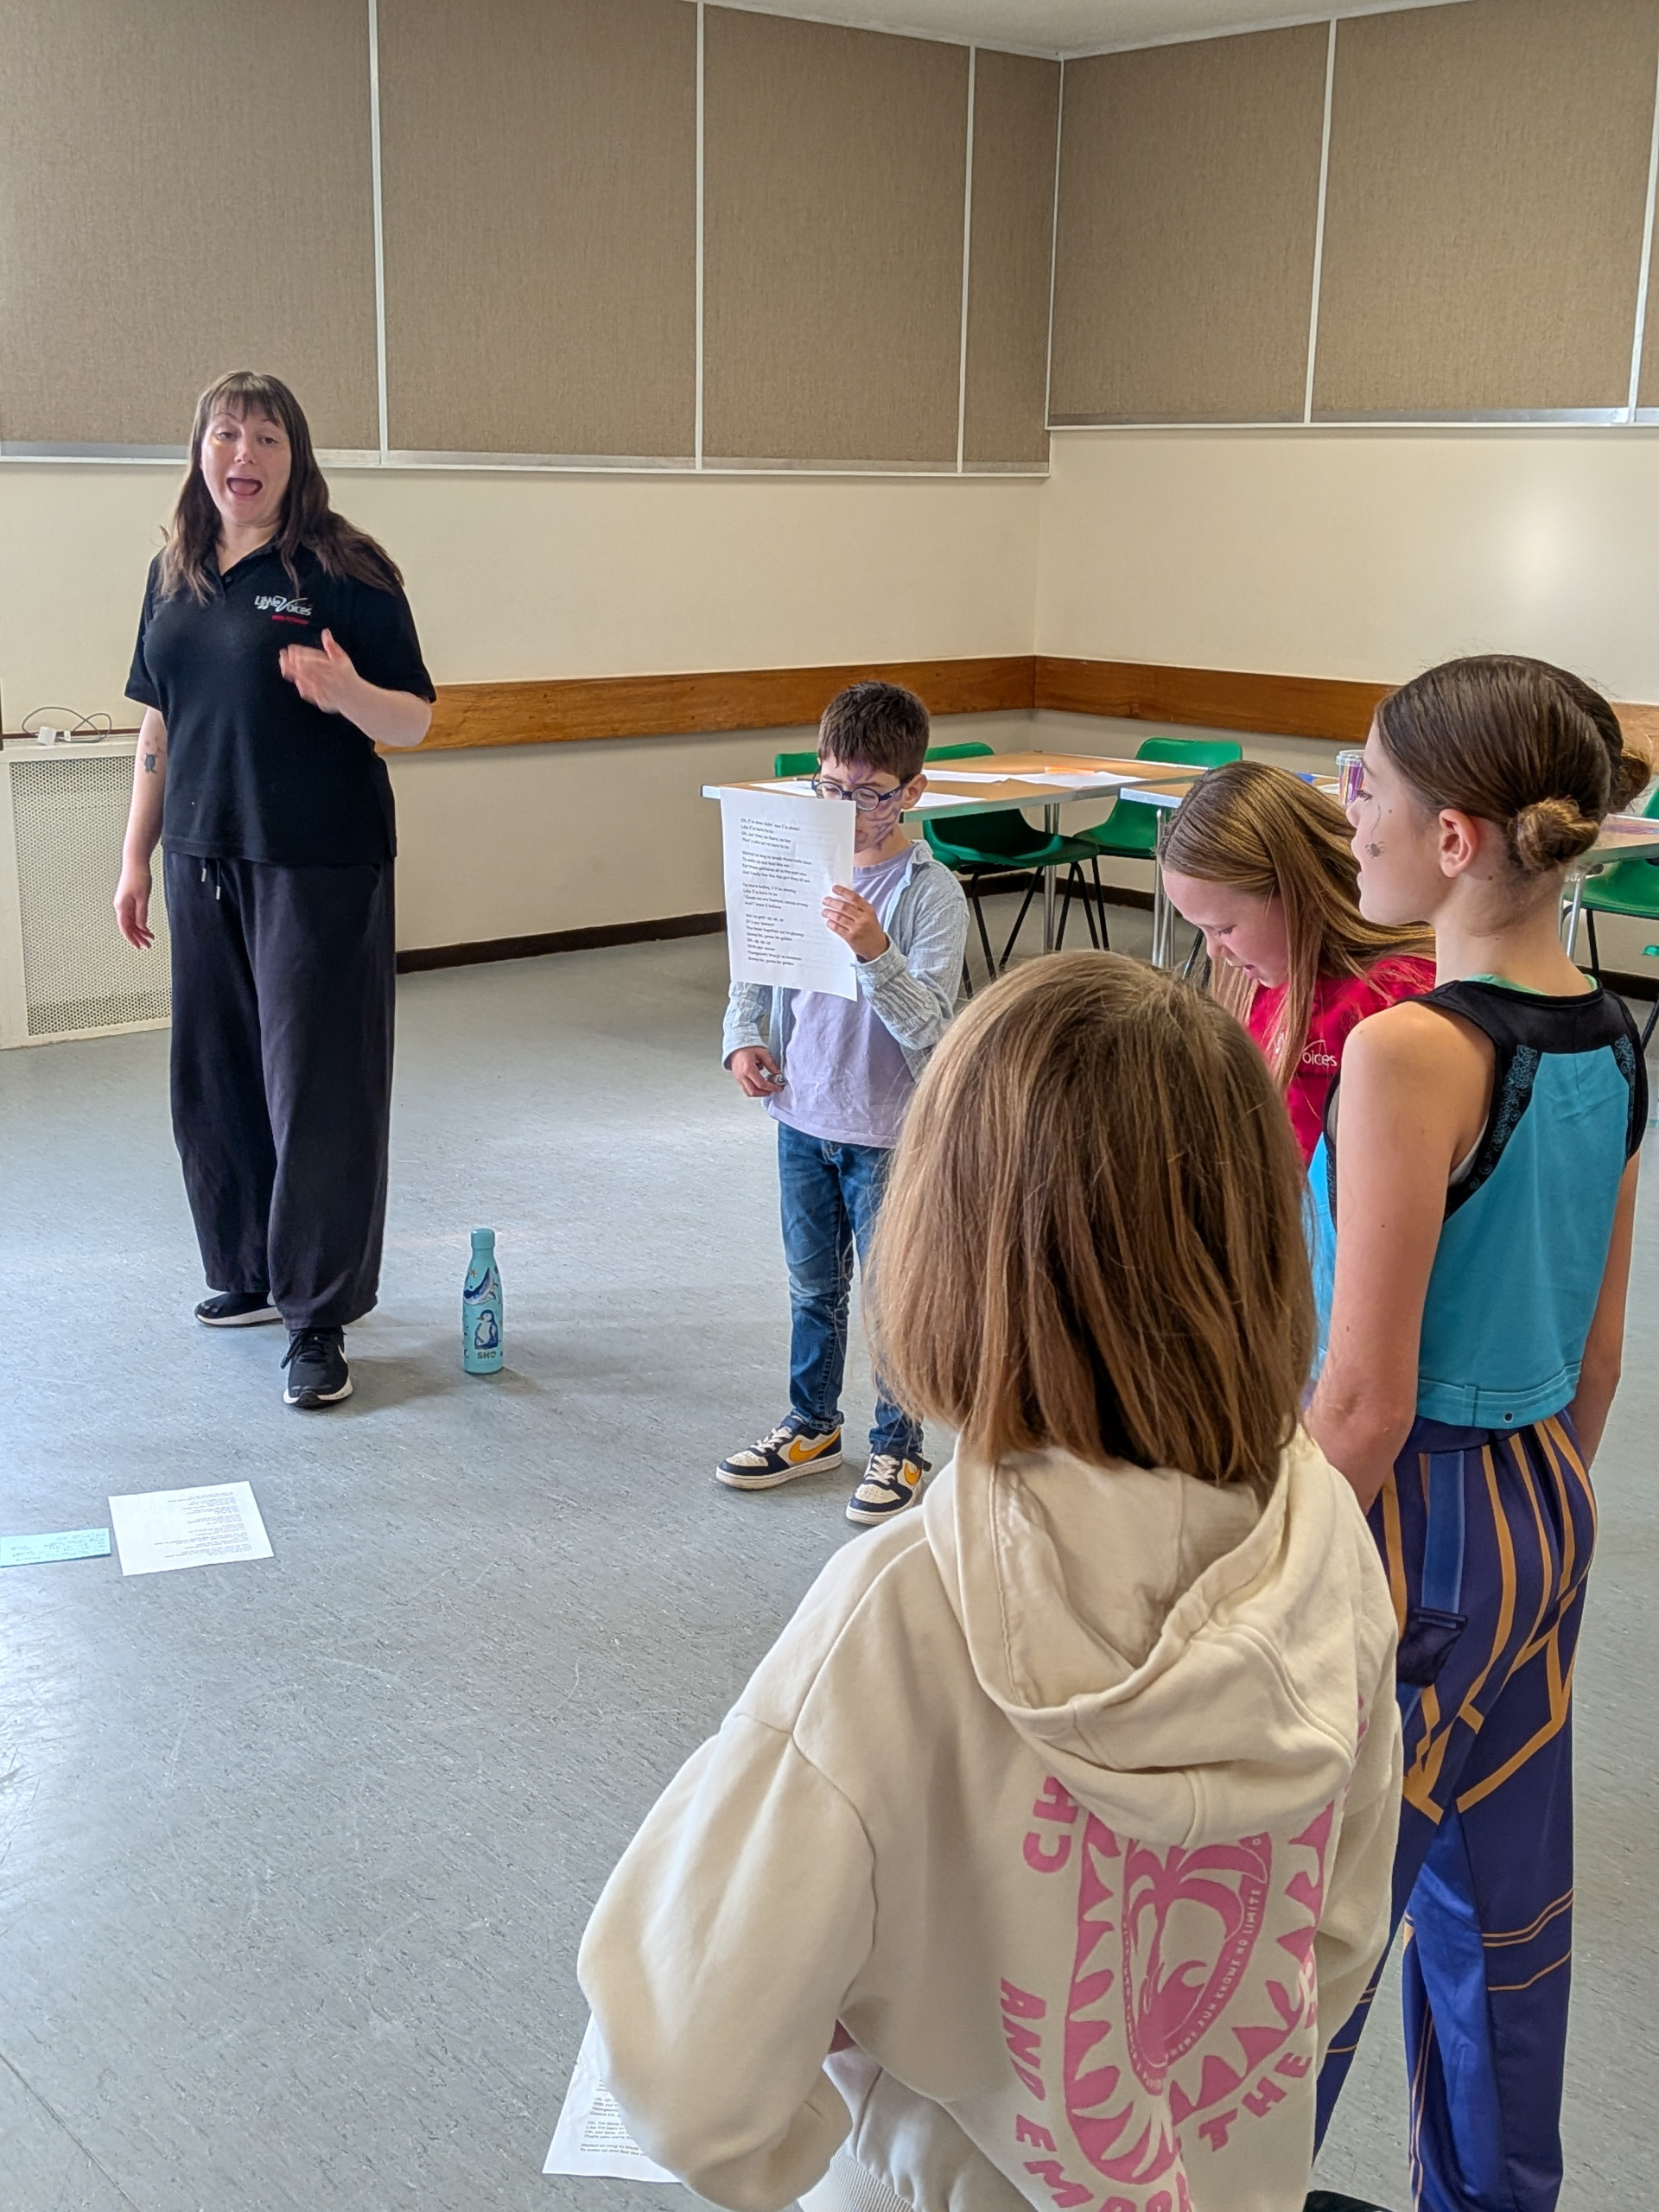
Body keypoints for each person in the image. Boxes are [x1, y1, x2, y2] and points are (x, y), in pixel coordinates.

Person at [581, 954, 1402, 2212]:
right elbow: (1335, 1941)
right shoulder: (1327, 1534)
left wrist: (857, 2102)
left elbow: (691, 2085)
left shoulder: (899, 1611)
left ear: (945, 1247)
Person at [1305, 658, 1648, 2212]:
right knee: (1504, 1925)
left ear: (1452, 840)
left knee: (1308, 1929)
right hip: (1544, 1508)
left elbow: (1364, 1399)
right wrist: (1535, 1508)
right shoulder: (1614, 1036)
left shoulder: (1408, 1053)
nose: (1347, 813)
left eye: (1364, 785)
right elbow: (1598, 1358)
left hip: (1406, 1517)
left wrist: (1258, 1581)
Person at [114, 371, 435, 1409]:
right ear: (199, 451)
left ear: (295, 457)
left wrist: (346, 691)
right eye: (225, 434)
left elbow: (414, 719)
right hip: (200, 856)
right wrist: (134, 857)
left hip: (318, 862)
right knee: (215, 1080)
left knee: (319, 1087)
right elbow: (158, 723)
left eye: (265, 437)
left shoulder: (343, 567)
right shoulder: (173, 572)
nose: (242, 455)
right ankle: (251, 1270)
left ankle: (318, 1315)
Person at [718, 680, 968, 1523]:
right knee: (811, 1287)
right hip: (801, 1114)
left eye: (871, 794)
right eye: (832, 789)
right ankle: (812, 1424)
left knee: (894, 1293)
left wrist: (873, 949)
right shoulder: (800, 863)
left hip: (890, 1130)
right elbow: (755, 964)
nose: (850, 811)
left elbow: (933, 1029)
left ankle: (900, 1444)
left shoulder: (930, 893)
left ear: (912, 792)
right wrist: (743, 1034)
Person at [1161, 761, 1434, 1164]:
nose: (1214, 951)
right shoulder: (1264, 978)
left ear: (1296, 894)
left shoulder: (1395, 998)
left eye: (1223, 929)